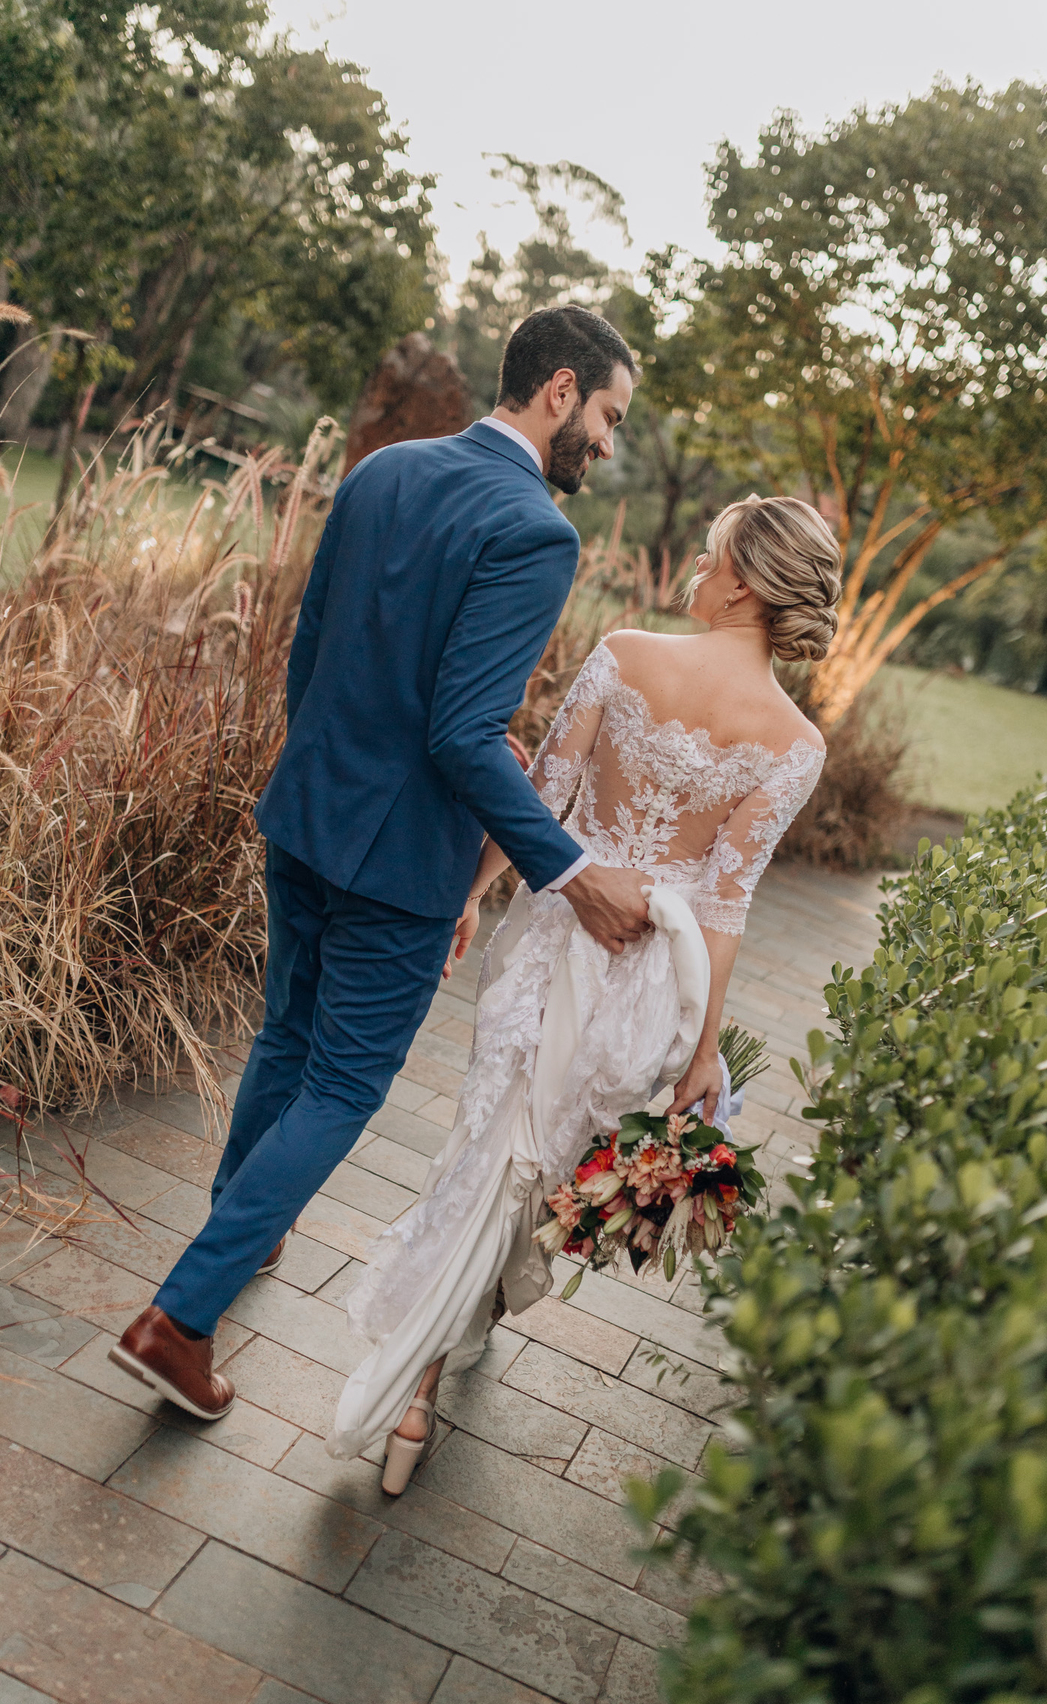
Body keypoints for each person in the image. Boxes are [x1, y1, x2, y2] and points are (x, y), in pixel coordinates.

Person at [110, 305, 653, 1420]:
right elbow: (462, 731)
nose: (606, 442)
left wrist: (322, 776)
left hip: (309, 812)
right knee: (345, 1084)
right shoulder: (538, 532)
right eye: (606, 416)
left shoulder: (385, 471)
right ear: (559, 390)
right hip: (399, 859)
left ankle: (236, 1234)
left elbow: (311, 648)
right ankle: (178, 1321)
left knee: (286, 1038)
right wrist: (571, 869)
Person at [328, 492, 841, 1494]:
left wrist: (469, 899)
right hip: (656, 984)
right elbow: (726, 905)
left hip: (556, 944)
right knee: (543, 1167)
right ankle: (448, 1342)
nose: (697, 561)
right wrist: (703, 1053)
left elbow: (541, 801)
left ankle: (421, 1381)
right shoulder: (795, 745)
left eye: (710, 549)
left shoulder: (625, 651)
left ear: (742, 579)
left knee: (493, 1147)